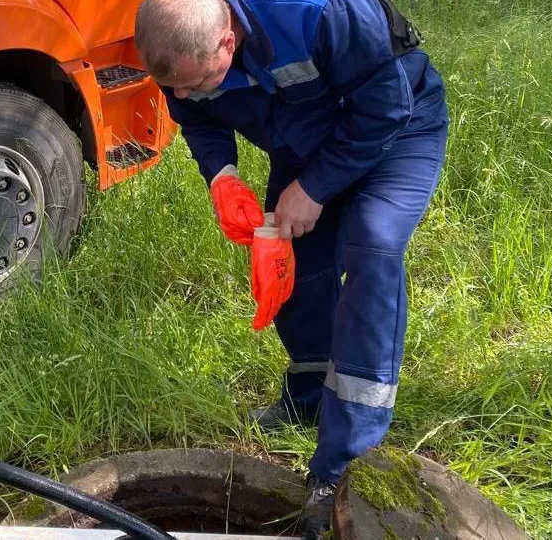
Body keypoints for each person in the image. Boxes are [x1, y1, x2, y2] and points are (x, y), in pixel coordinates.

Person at [133, 0, 449, 537]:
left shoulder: (317, 14)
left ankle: (345, 466)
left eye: (197, 81)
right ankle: (307, 399)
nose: (183, 95)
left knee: (372, 248)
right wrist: (222, 175)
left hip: (398, 129)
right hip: (310, 144)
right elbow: (192, 114)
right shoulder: (181, 52)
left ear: (227, 42)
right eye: (175, 87)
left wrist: (315, 188)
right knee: (286, 257)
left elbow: (386, 107)